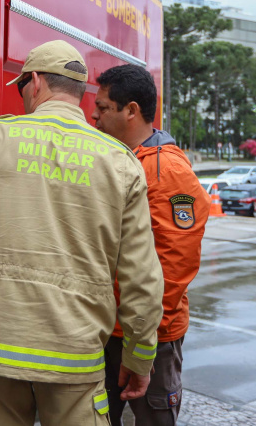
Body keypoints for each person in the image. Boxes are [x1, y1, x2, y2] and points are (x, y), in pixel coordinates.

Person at [0, 40, 164, 426]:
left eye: (22, 88)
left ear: (34, 82)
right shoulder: (120, 161)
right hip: (75, 355)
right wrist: (139, 356)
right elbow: (143, 278)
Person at [91, 64, 210, 425]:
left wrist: (142, 343)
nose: (93, 115)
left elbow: (174, 265)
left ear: (132, 110)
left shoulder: (166, 170)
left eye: (103, 107)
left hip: (147, 337)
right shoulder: (125, 159)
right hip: (109, 329)